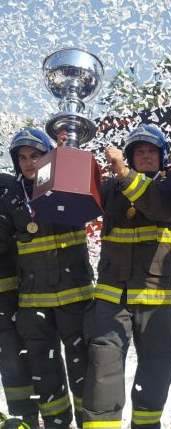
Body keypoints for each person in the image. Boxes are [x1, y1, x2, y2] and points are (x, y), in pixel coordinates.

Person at [82, 124, 171, 429]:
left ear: (162, 157)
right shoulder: (111, 188)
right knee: (102, 367)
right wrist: (67, 151)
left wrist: (125, 174)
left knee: (156, 369)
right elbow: (78, 193)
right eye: (138, 151)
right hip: (110, 297)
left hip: (156, 301)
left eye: (151, 152)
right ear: (130, 155)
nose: (144, 156)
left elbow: (161, 208)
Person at [0, 127, 94, 429]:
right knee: (44, 369)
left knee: (82, 366)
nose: (29, 163)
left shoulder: (65, 183)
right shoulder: (12, 198)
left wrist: (65, 158)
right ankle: (56, 422)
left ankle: (86, 421)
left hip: (75, 296)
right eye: (23, 158)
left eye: (36, 156)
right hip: (33, 301)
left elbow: (90, 200)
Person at [0, 173, 39, 428]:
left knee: (13, 358)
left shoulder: (7, 186)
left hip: (7, 294)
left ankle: (24, 418)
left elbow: (18, 227)